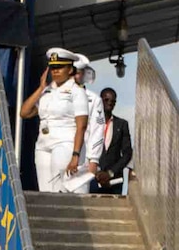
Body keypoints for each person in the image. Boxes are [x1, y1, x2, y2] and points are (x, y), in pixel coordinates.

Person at [21, 48, 88, 194]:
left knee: (59, 188)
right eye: (52, 67)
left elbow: (81, 126)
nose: (55, 71)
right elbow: (24, 112)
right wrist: (40, 88)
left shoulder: (77, 92)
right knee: (45, 190)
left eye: (60, 67)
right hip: (43, 143)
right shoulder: (47, 92)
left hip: (64, 142)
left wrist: (76, 155)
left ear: (70, 69)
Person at [72, 55, 105, 193]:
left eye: (78, 73)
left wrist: (94, 160)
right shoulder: (56, 94)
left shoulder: (94, 99)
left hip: (82, 158)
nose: (75, 76)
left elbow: (98, 130)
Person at [91, 88, 132, 195]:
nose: (110, 103)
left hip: (114, 181)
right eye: (106, 100)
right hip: (93, 178)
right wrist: (95, 172)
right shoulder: (90, 123)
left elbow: (127, 153)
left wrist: (110, 173)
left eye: (113, 101)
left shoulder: (122, 124)